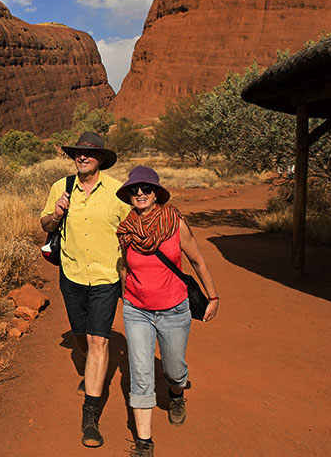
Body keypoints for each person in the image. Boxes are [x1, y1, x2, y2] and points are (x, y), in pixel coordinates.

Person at [115, 166, 219, 457]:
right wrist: (127, 293)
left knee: (174, 371)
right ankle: (144, 444)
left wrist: (213, 297)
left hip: (174, 310)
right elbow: (125, 265)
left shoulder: (175, 223)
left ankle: (176, 395)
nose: (140, 193)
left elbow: (197, 261)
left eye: (146, 189)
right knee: (141, 373)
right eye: (134, 190)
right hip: (138, 310)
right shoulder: (127, 230)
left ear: (156, 193)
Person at [40, 131, 130, 448]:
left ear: (101, 159)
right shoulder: (60, 188)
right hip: (73, 274)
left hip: (106, 278)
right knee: (81, 334)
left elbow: (134, 231)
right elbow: (46, 226)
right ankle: (91, 368)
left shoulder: (119, 192)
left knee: (98, 340)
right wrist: (57, 213)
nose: (82, 157)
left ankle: (90, 416)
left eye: (89, 153)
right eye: (78, 152)